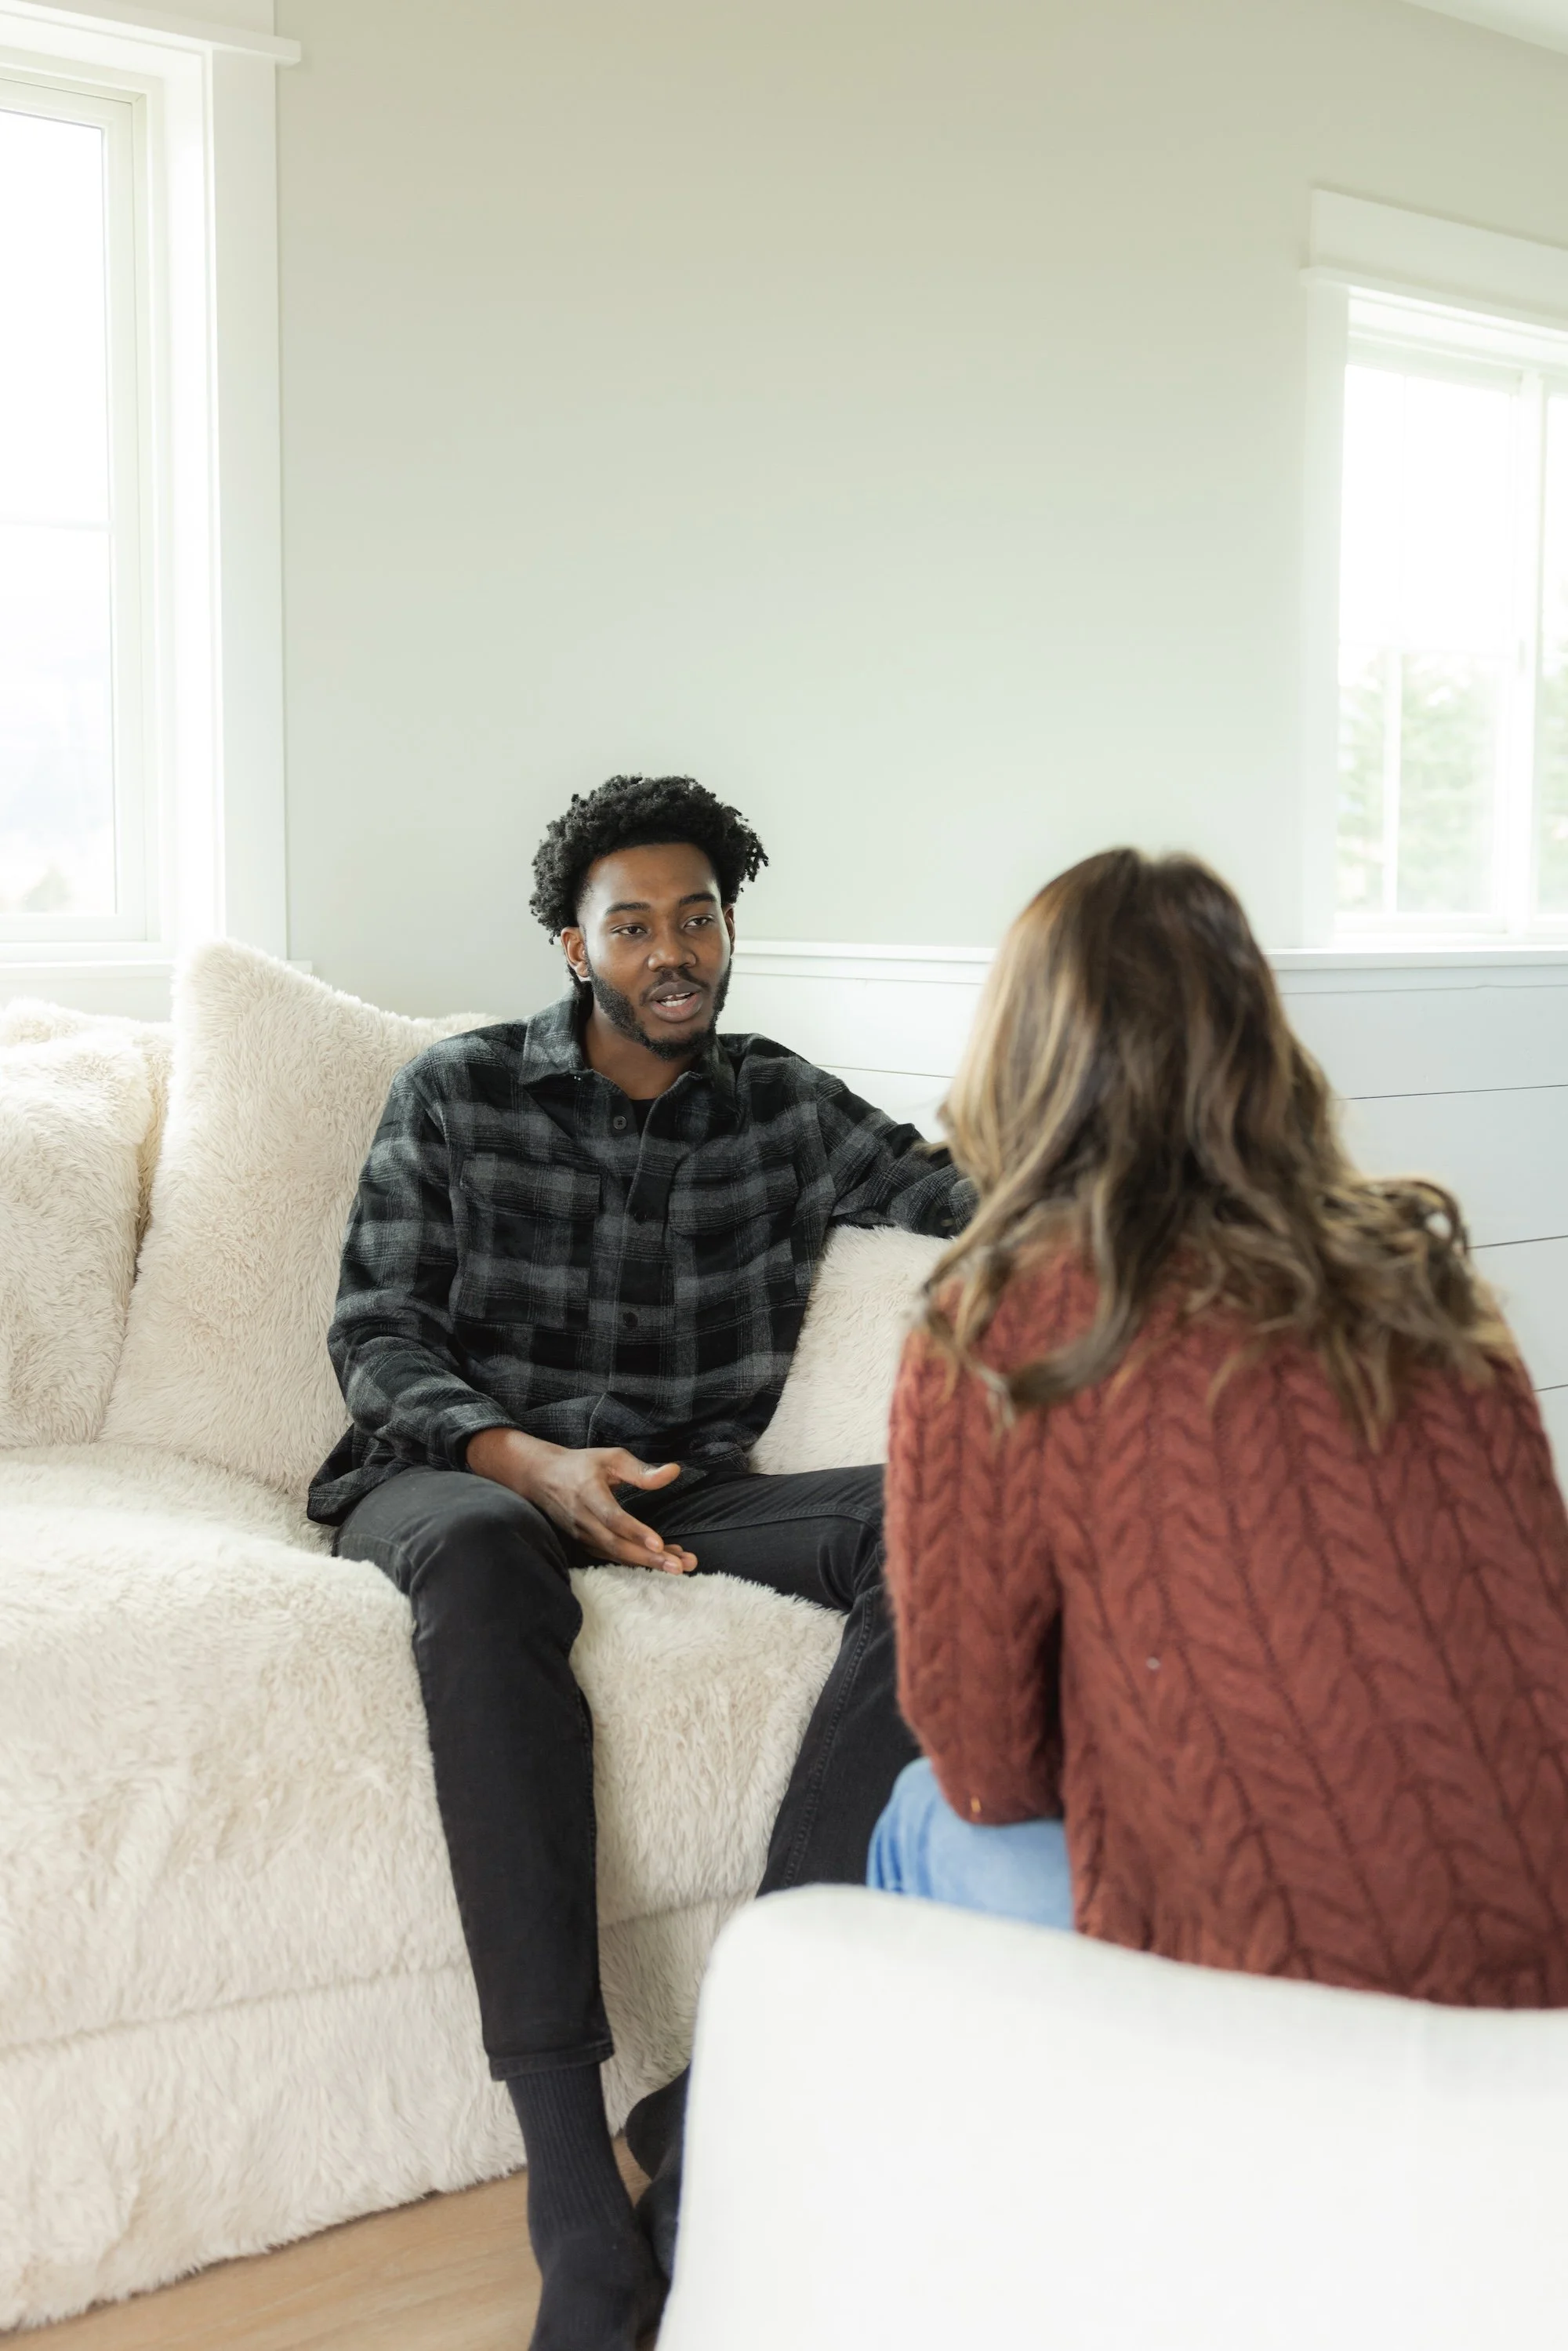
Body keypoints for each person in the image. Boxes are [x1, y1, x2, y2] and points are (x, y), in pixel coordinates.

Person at [308, 773, 970, 2351]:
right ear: (571, 944)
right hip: (463, 1471)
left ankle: (734, 2075)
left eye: (697, 916)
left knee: (945, 1516)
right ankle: (569, 2197)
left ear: (728, 931)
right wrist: (524, 1456)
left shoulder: (785, 1104)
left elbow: (982, 1198)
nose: (672, 948)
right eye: (633, 922)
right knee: (477, 1562)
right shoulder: (456, 1090)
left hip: (688, 1485)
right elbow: (376, 1333)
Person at [870, 846, 1568, 2010]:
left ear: (1023, 1054)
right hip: (1544, 1953)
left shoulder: (1002, 1319)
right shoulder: (1418, 1269)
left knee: (917, 1816)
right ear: (1258, 1042)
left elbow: (987, 1771)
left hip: (1298, 1992)